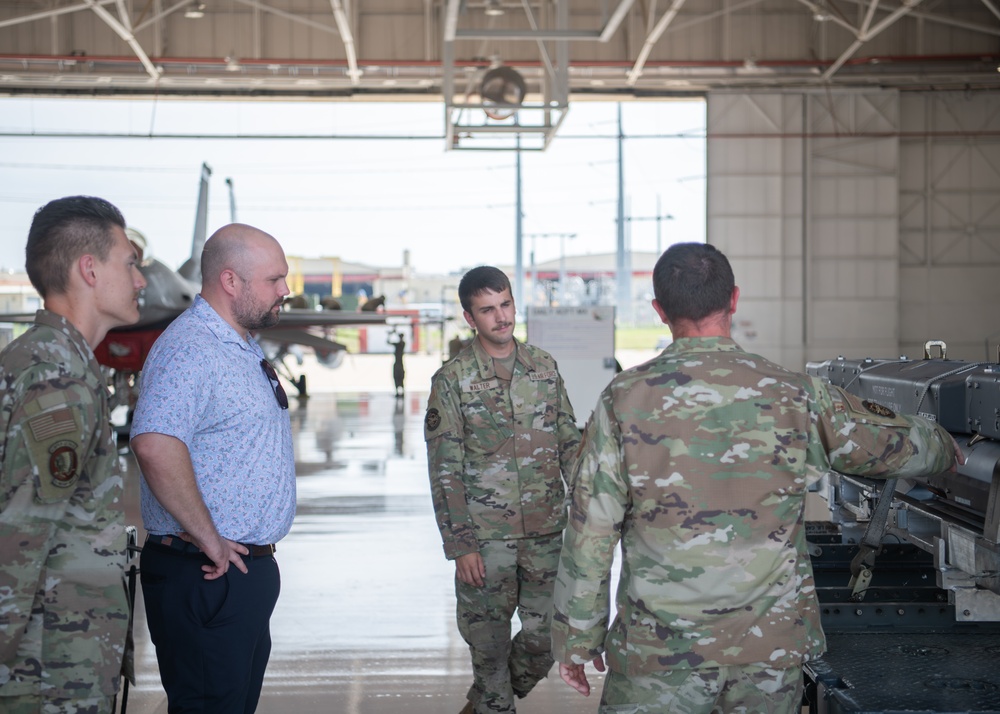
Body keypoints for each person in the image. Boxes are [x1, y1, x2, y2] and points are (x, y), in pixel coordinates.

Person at [551, 242, 960, 714]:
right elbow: (883, 446)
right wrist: (948, 447)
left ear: (660, 311)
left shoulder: (623, 399)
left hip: (659, 653)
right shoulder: (792, 392)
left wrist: (578, 638)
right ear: (734, 299)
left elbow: (591, 529)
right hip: (769, 649)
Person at [130, 223, 297, 714]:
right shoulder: (192, 348)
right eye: (274, 279)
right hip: (205, 572)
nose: (285, 290)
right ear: (230, 281)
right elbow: (155, 445)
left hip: (234, 573)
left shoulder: (238, 344)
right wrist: (209, 537)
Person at [0, 196, 146, 713]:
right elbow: (20, 535)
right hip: (46, 670)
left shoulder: (50, 361)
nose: (141, 280)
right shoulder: (57, 377)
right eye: (129, 263)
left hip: (57, 658)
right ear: (89, 269)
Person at [424, 266, 581, 714]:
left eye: (506, 304)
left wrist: (589, 516)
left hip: (548, 532)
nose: (501, 317)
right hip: (485, 541)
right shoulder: (452, 380)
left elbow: (569, 441)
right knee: (488, 649)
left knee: (547, 635)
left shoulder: (544, 368)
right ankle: (493, 701)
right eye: (488, 310)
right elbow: (445, 470)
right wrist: (460, 545)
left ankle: (486, 701)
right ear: (470, 318)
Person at [389, 330, 406, 397]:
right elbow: (388, 342)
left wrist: (394, 333)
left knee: (401, 378)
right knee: (396, 378)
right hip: (397, 363)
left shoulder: (401, 344)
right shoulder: (398, 344)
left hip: (400, 364)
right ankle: (397, 392)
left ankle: (402, 392)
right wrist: (392, 334)